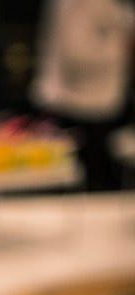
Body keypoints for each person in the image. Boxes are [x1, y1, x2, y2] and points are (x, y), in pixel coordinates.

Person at [31, 0, 135, 191]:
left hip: (94, 104)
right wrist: (123, 46)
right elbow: (78, 56)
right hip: (81, 105)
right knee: (87, 186)